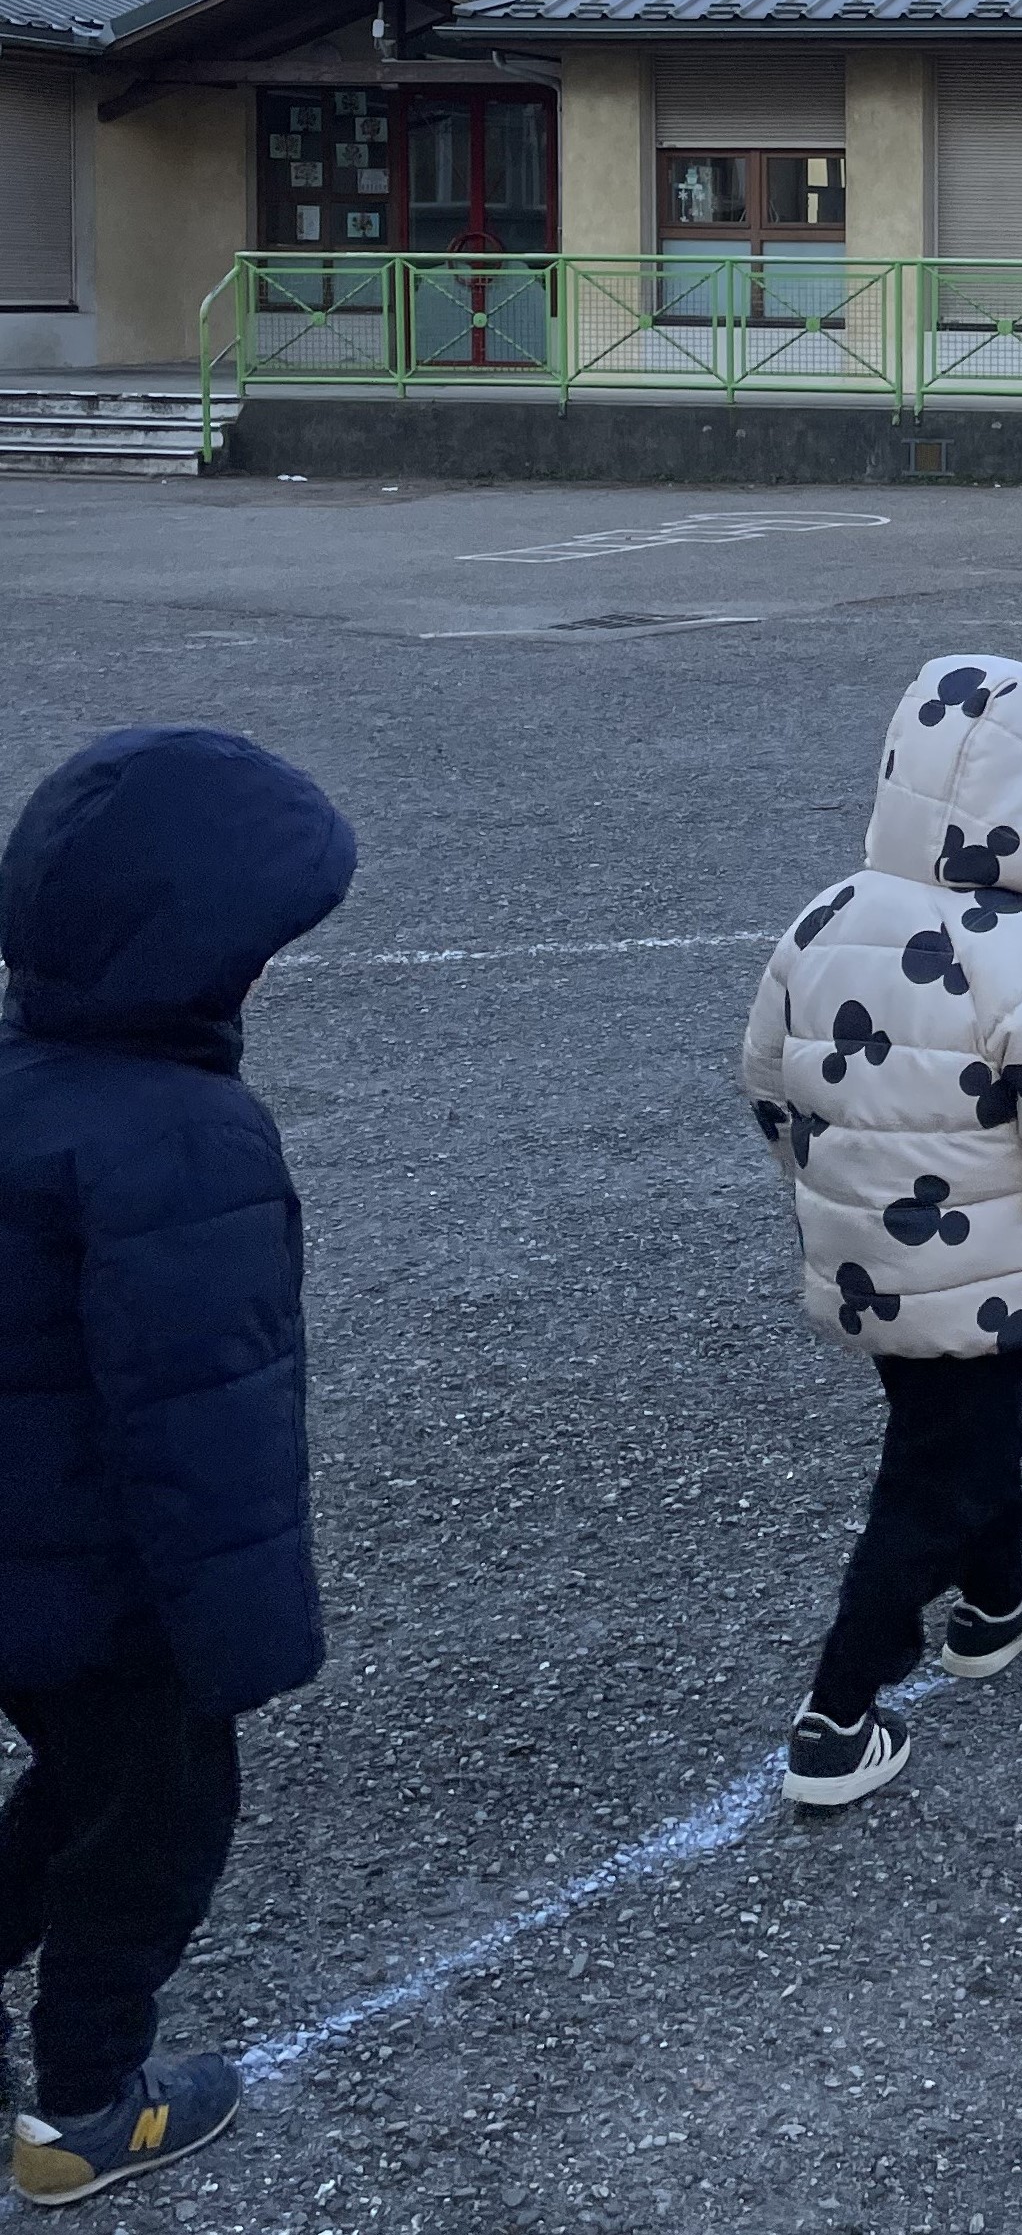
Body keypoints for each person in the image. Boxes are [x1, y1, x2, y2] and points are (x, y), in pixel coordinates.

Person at [1, 728, 356, 2208]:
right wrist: (242, 1645)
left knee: (79, 1779)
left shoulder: (27, 1088)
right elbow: (205, 1421)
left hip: (25, 1569)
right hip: (110, 1591)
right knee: (158, 1824)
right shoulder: (187, 1137)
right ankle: (87, 2100)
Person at [745, 655, 1022, 1809]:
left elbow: (766, 1079)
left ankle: (997, 1601)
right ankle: (838, 1709)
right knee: (938, 1467)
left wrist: (829, 1187)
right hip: (989, 1261)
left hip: (875, 1255)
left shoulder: (825, 914)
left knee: (962, 1430)